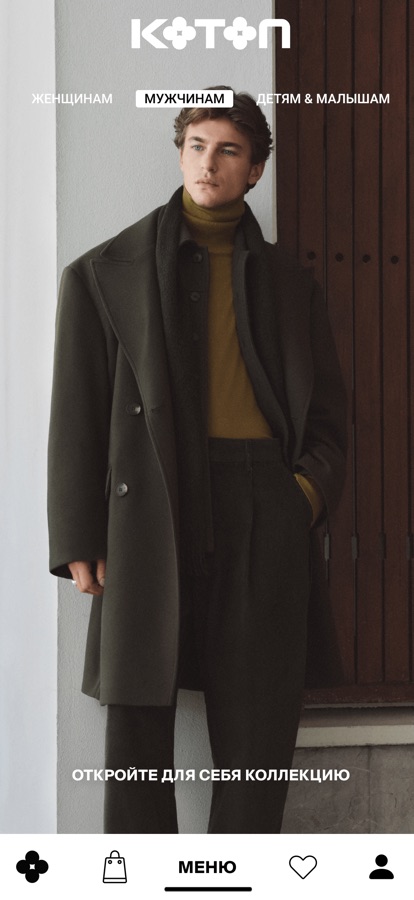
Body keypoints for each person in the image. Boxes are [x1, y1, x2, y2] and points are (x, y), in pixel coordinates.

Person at [48, 87, 347, 834]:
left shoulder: (293, 285)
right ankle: (135, 881)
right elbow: (76, 415)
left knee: (258, 732)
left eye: (228, 151)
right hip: (149, 504)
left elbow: (329, 421)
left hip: (263, 504)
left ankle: (237, 880)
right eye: (196, 146)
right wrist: (77, 538)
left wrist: (300, 499)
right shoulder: (102, 273)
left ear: (256, 170)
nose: (208, 164)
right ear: (180, 155)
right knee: (136, 734)